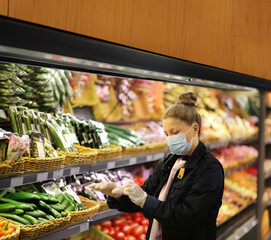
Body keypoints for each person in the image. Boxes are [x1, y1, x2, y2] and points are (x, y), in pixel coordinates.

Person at [89, 92, 224, 240]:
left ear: (195, 129)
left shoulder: (209, 169)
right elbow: (144, 194)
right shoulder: (169, 162)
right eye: (167, 134)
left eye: (175, 132)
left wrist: (145, 201)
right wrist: (118, 196)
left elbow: (186, 217)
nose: (170, 139)